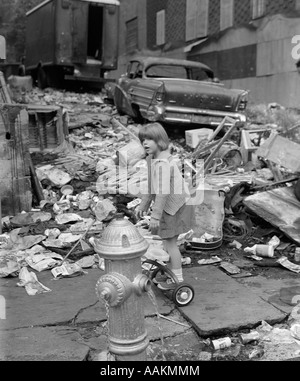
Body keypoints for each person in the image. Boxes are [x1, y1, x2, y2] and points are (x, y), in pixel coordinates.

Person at [136, 122, 194, 290]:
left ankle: (177, 279)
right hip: (170, 205)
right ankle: (171, 273)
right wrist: (143, 205)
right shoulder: (152, 159)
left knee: (170, 243)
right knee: (167, 241)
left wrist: (155, 216)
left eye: (149, 139)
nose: (145, 143)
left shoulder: (163, 164)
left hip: (175, 207)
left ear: (160, 141)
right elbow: (151, 187)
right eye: (143, 140)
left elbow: (162, 192)